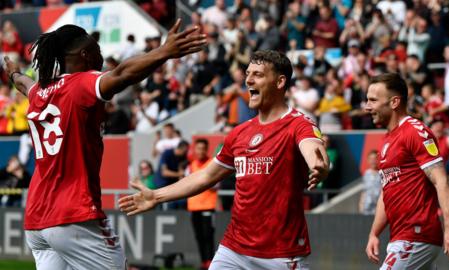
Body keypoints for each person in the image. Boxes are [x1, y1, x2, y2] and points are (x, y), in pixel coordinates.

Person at [4, 19, 206, 270]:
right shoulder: (82, 83)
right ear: (85, 54)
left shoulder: (40, 91)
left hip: (36, 219)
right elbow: (122, 74)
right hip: (73, 214)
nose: (102, 55)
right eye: (97, 49)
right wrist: (164, 51)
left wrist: (12, 72)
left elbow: (24, 83)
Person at [119, 50, 330, 270]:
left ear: (279, 82)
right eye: (248, 73)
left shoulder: (299, 124)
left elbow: (313, 149)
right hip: (234, 248)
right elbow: (206, 176)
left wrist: (319, 166)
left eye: (257, 74)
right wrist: (156, 196)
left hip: (281, 254)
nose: (248, 79)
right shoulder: (239, 134)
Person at [364, 73, 449, 269]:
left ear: (394, 102)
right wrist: (374, 233)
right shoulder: (387, 139)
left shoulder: (416, 132)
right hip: (401, 236)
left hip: (416, 234)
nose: (367, 106)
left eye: (373, 100)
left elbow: (441, 180)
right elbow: (387, 191)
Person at [187, 138, 217, 270]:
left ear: (206, 149)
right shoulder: (191, 165)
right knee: (198, 235)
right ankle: (203, 261)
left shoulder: (212, 164)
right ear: (195, 149)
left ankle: (210, 262)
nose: (201, 151)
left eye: (203, 148)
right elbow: (186, 184)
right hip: (194, 206)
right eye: (198, 148)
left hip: (208, 206)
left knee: (208, 235)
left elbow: (217, 185)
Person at [359, 150, 381, 215]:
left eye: (375, 159)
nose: (373, 161)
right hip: (367, 207)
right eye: (371, 159)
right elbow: (364, 191)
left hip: (378, 207)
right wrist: (361, 205)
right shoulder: (366, 174)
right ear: (368, 160)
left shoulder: (382, 174)